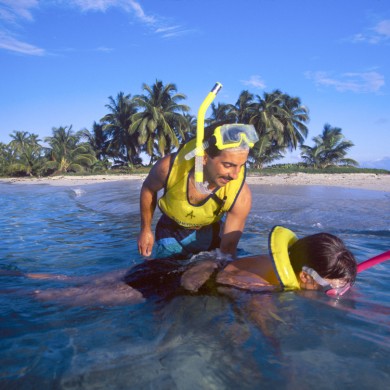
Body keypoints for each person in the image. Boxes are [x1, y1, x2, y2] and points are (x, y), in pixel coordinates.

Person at [3, 226, 357, 305]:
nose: (333, 292)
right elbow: (252, 310)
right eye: (331, 286)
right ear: (303, 275)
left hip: (168, 267)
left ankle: (13, 277)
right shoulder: (267, 285)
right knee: (53, 297)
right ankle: (16, 291)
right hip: (166, 285)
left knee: (75, 279)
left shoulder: (269, 261)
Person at [137, 124, 259, 260]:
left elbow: (227, 252)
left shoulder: (240, 195)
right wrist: (146, 229)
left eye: (241, 165)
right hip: (170, 230)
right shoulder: (169, 168)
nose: (235, 175)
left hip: (210, 231)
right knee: (168, 273)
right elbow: (148, 189)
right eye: (228, 165)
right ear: (204, 158)